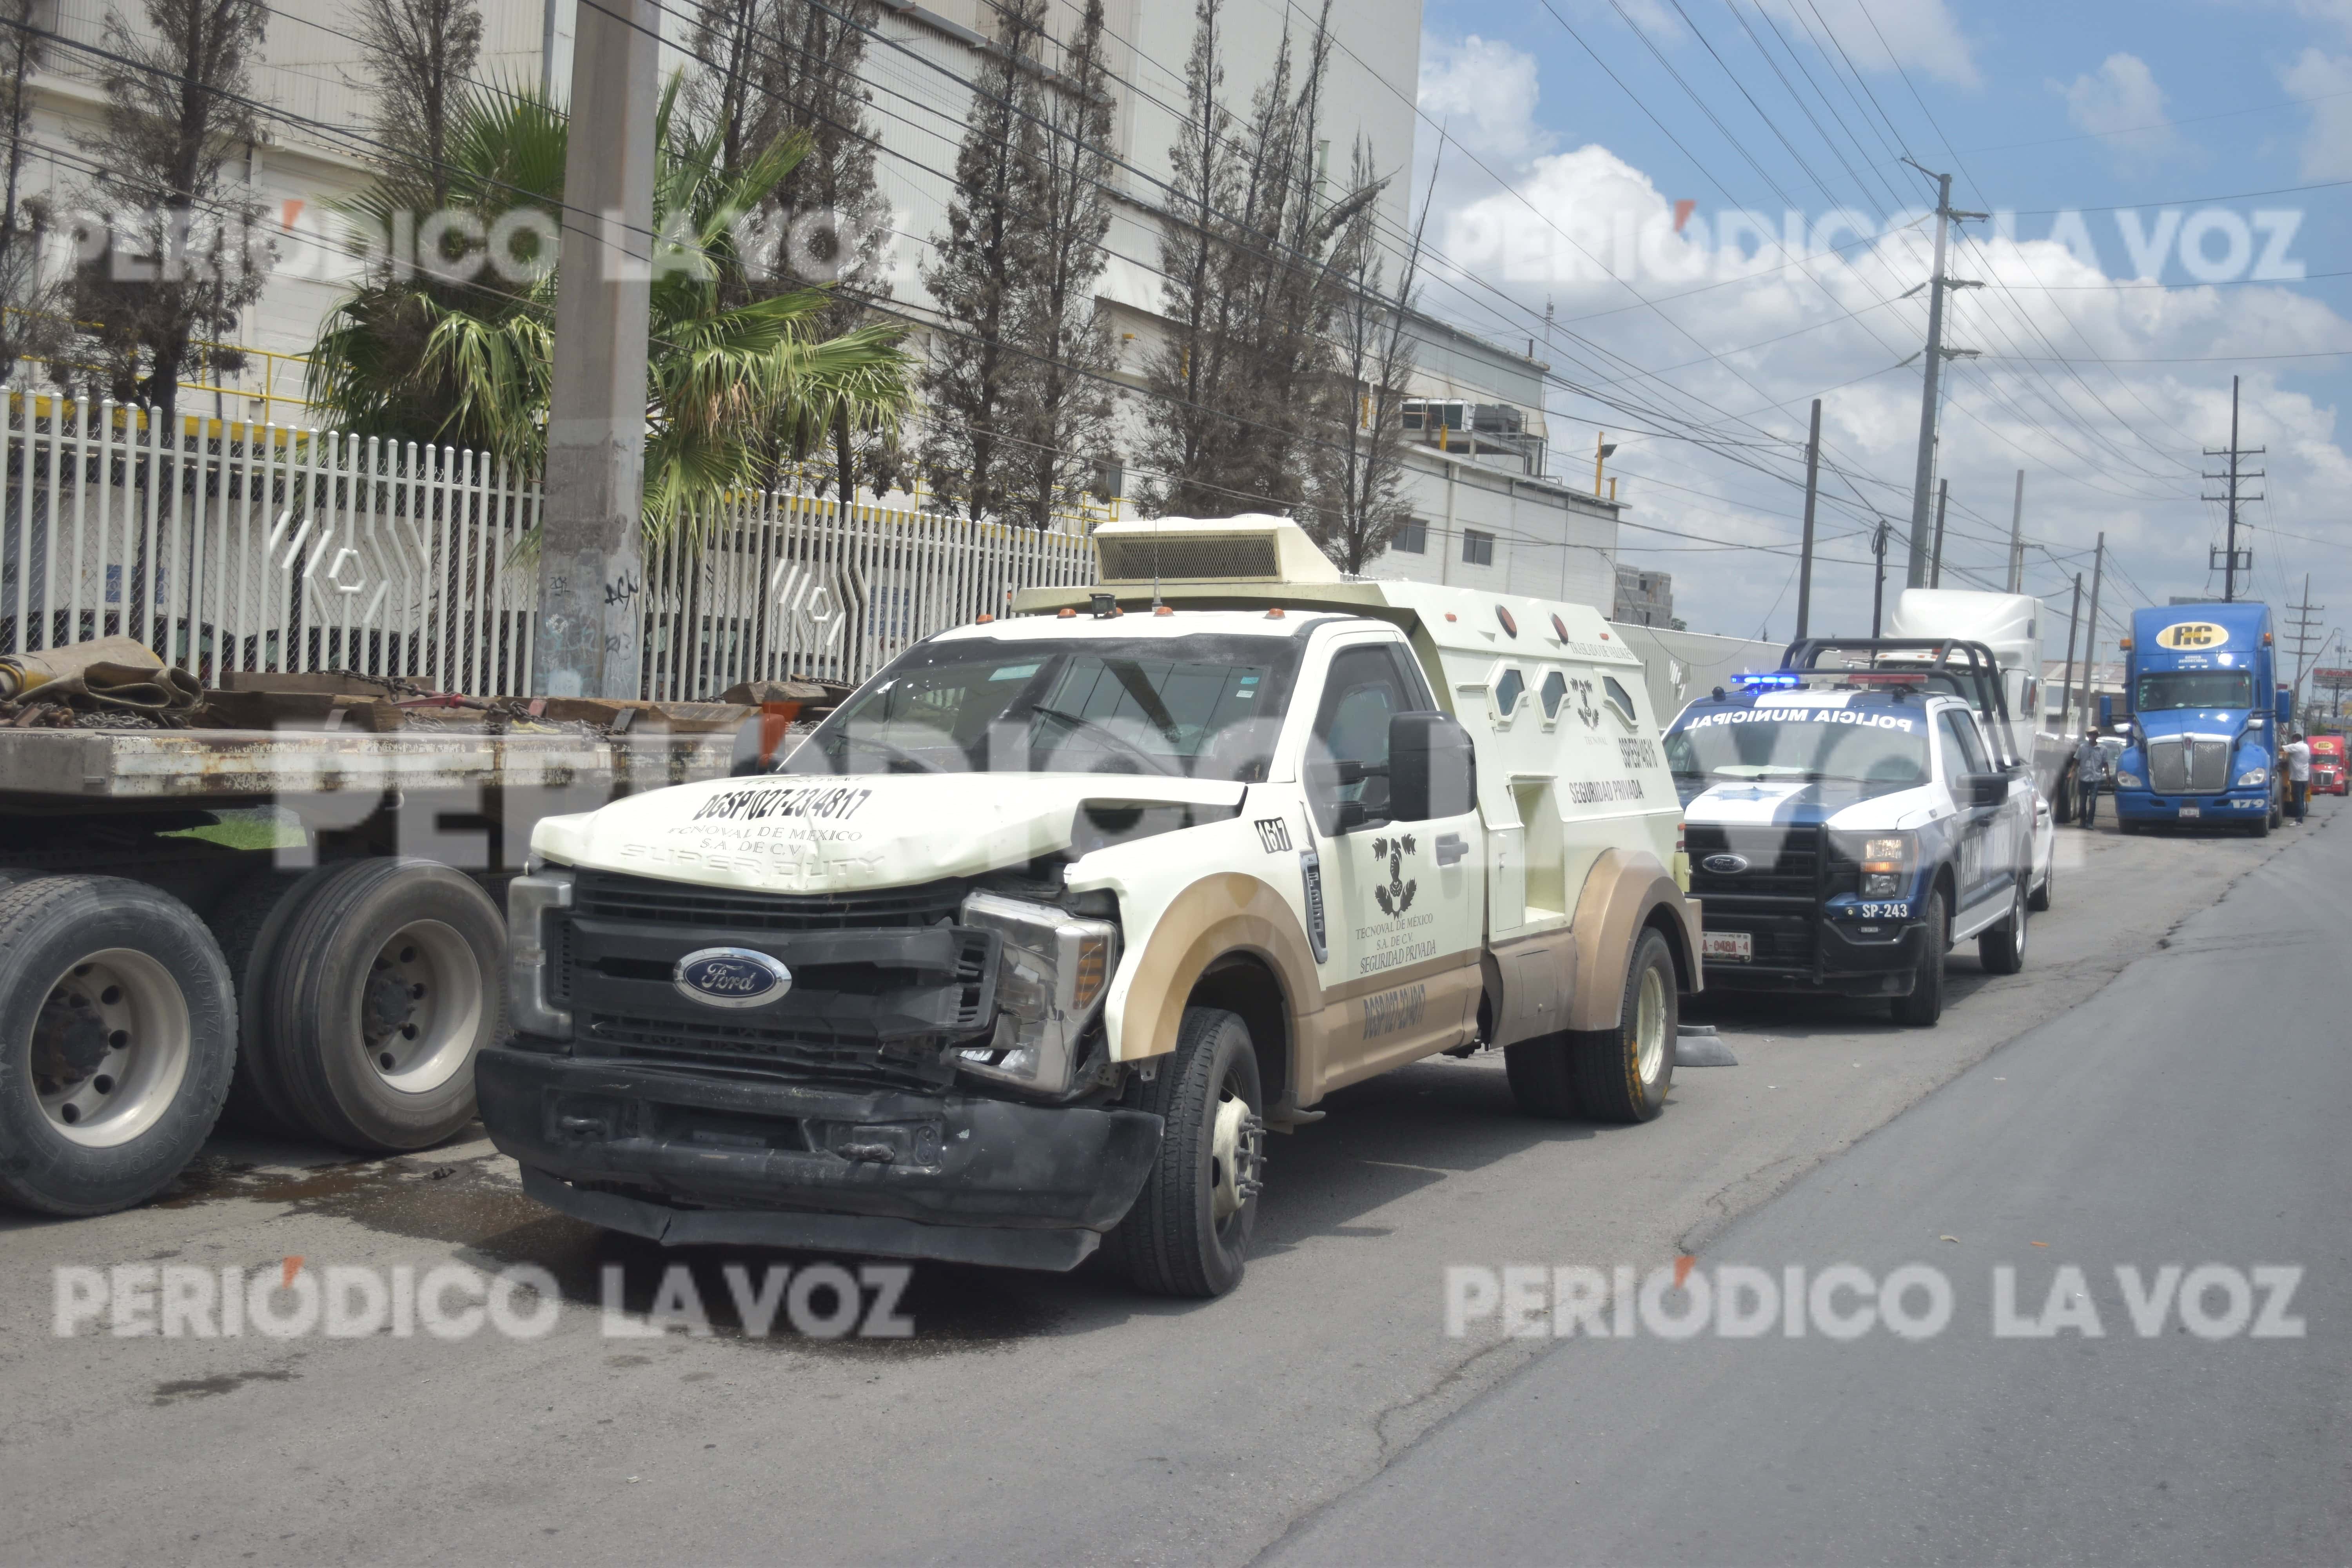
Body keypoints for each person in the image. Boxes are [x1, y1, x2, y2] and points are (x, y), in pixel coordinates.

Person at [2073, 727, 2107, 828]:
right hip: (2083, 778)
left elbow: (2105, 764)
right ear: (2088, 736)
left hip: (2095, 779)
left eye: (2094, 734)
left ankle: (2090, 823)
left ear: (2097, 736)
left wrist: (2108, 777)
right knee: (2082, 802)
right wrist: (2071, 773)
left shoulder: (2103, 749)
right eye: (2090, 734)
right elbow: (2076, 761)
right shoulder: (2082, 747)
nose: (2092, 736)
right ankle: (2082, 822)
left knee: (2092, 800)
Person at [2283, 728, 2312, 823]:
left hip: (2297, 778)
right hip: (2304, 776)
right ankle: (2301, 818)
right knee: (2301, 798)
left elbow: (2281, 748)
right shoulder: (2306, 747)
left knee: (2297, 799)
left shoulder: (2296, 747)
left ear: (2295, 740)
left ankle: (2299, 820)